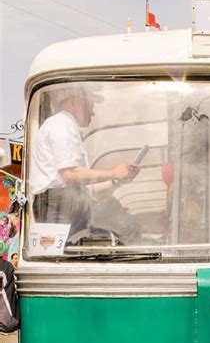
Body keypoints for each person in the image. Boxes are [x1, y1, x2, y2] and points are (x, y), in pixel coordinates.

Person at [30, 85, 141, 244]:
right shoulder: (62, 125)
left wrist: (117, 181)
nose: (92, 112)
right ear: (75, 101)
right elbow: (71, 175)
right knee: (127, 226)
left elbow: (87, 190)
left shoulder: (64, 126)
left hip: (64, 204)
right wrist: (113, 173)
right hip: (60, 206)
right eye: (91, 105)